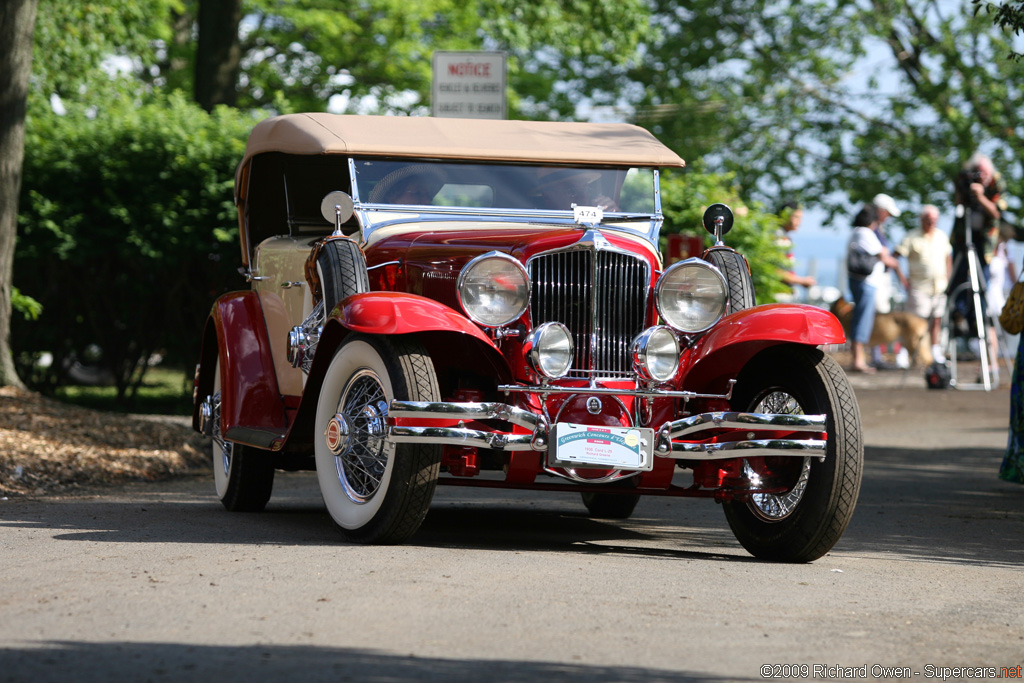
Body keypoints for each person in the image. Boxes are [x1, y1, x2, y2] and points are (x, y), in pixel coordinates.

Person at [847, 204, 908, 373]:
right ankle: (859, 360)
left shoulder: (855, 232)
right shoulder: (864, 233)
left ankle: (860, 358)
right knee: (862, 319)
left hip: (860, 281)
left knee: (861, 318)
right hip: (866, 282)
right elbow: (883, 254)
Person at [896, 205, 952, 363]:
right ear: (922, 220)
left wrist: (948, 278)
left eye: (934, 220)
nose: (931, 222)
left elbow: (948, 257)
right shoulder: (911, 237)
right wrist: (903, 281)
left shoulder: (941, 236)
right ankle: (905, 352)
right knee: (914, 322)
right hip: (918, 287)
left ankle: (935, 350)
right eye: (928, 219)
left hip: (939, 287)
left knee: (936, 320)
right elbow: (896, 257)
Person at [776, 201, 816, 293]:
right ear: (784, 216)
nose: (799, 222)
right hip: (776, 294)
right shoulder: (777, 236)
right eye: (796, 217)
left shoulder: (785, 237)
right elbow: (774, 270)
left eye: (800, 218)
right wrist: (801, 281)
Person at [535, 168, 617, 210]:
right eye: (572, 191)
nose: (584, 198)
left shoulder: (594, 220)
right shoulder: (537, 227)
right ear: (548, 197)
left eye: (586, 189)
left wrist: (614, 218)